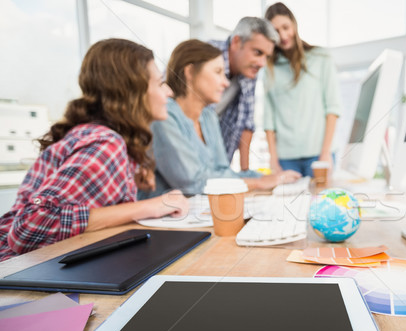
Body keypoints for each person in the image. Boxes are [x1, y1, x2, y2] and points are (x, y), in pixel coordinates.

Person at [0, 39, 188, 262]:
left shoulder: (98, 136)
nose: (169, 92)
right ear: (132, 91)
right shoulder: (107, 144)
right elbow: (30, 228)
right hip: (13, 273)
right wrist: (149, 206)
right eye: (160, 83)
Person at [138, 39, 300, 199]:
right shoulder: (164, 115)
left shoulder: (208, 117)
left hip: (198, 214)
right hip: (165, 220)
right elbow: (193, 184)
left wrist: (268, 178)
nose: (225, 83)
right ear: (190, 72)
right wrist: (258, 183)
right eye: (218, 72)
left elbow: (224, 171)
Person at [264, 2, 342, 177]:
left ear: (294, 25)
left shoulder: (321, 58)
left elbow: (333, 108)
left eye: (286, 27)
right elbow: (269, 119)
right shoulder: (268, 68)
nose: (283, 35)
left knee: (321, 202)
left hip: (318, 154)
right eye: (276, 31)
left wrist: (325, 153)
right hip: (285, 159)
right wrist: (273, 159)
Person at [209, 17, 279, 171]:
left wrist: (245, 172)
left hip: (218, 167)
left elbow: (247, 124)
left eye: (267, 57)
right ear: (236, 42)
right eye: (258, 52)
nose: (262, 63)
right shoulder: (206, 54)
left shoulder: (249, 71)